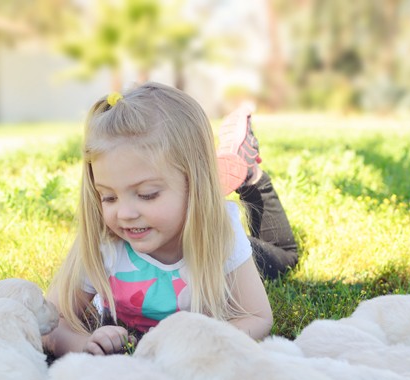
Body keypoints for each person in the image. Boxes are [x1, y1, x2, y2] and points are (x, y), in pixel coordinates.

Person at [44, 82, 299, 356]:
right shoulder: (105, 243)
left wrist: (199, 344)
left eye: (147, 194)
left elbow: (257, 317)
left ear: (195, 186)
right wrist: (84, 345)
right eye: (108, 197)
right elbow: (51, 324)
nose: (125, 214)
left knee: (285, 258)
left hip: (199, 228)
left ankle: (250, 177)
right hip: (189, 210)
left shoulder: (221, 234)